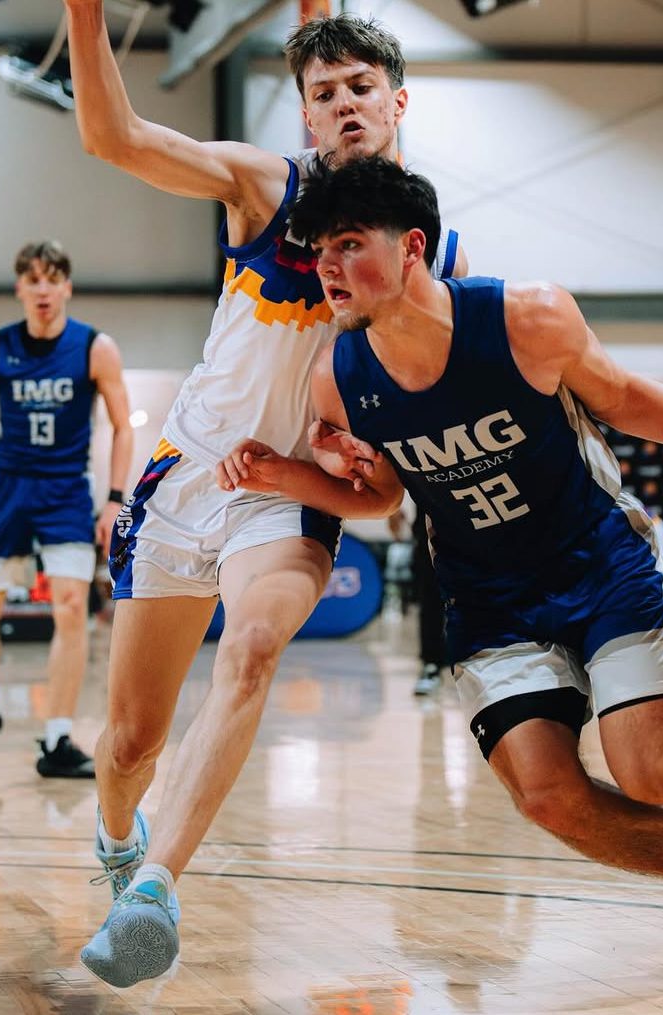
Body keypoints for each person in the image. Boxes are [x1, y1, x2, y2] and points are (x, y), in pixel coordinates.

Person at [219, 158, 663, 979]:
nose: (330, 268)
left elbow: (620, 397)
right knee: (547, 796)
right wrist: (284, 472)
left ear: (412, 247)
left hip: (597, 563)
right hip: (488, 599)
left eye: (348, 244)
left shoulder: (529, 318)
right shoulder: (339, 377)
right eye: (320, 252)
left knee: (654, 772)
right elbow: (380, 496)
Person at [63, 5, 463, 988]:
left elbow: (395, 472)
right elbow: (115, 139)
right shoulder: (265, 186)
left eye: (360, 87)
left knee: (249, 650)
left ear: (397, 102)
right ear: (307, 119)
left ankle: (155, 887)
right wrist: (84, 14)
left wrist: (352, 466)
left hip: (290, 493)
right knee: (127, 744)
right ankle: (123, 839)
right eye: (323, 94)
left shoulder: (426, 255)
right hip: (188, 470)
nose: (344, 104)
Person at [0, 240, 133, 779]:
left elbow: (121, 427)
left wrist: (115, 498)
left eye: (53, 279)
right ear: (20, 288)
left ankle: (56, 738)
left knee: (72, 607)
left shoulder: (95, 347)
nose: (43, 289)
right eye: (33, 279)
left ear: (66, 286)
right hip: (9, 488)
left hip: (67, 489)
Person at [389, 502, 447, 695]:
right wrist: (393, 507)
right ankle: (431, 664)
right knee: (430, 595)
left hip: (475, 516)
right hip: (429, 522)